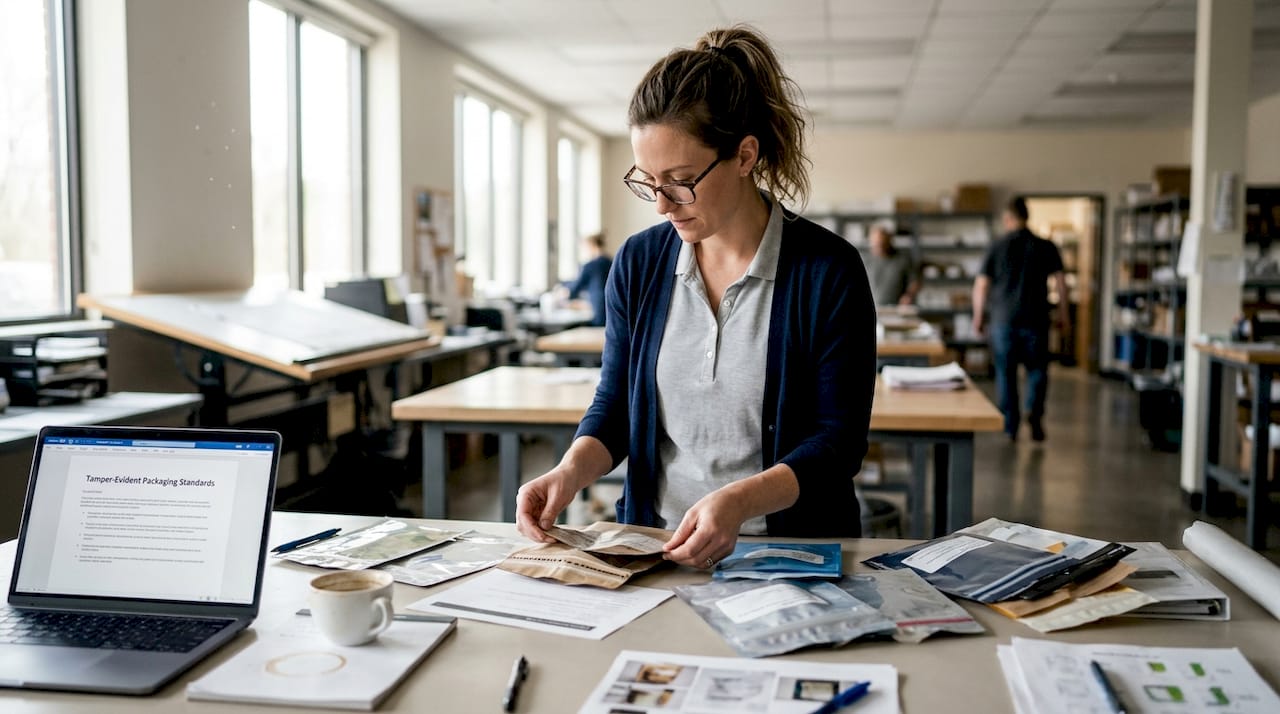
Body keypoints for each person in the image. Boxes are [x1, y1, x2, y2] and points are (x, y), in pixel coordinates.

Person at [515, 25, 877, 569]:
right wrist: (569, 470)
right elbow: (615, 409)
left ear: (745, 156)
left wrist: (737, 503)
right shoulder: (639, 264)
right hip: (653, 548)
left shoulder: (827, 270)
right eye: (647, 181)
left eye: (680, 180)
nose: (661, 204)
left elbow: (838, 442)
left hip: (787, 553)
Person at [971, 197, 1068, 442]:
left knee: (1006, 373)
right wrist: (1064, 315)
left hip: (1004, 320)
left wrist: (978, 316)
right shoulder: (1045, 246)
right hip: (1036, 319)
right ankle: (1034, 414)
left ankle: (1010, 425)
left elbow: (981, 286)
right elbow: (1061, 283)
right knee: (1037, 371)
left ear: (1008, 218)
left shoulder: (997, 246)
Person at [561, 233, 612, 327]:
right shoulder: (611, 262)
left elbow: (575, 289)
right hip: (612, 307)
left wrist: (561, 294)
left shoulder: (590, 266)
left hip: (599, 308)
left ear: (591, 245)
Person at [864, 224, 920, 306]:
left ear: (889, 241)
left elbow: (914, 282)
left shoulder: (903, 260)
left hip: (895, 309)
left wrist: (909, 295)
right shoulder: (864, 260)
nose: (879, 247)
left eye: (882, 243)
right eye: (876, 244)